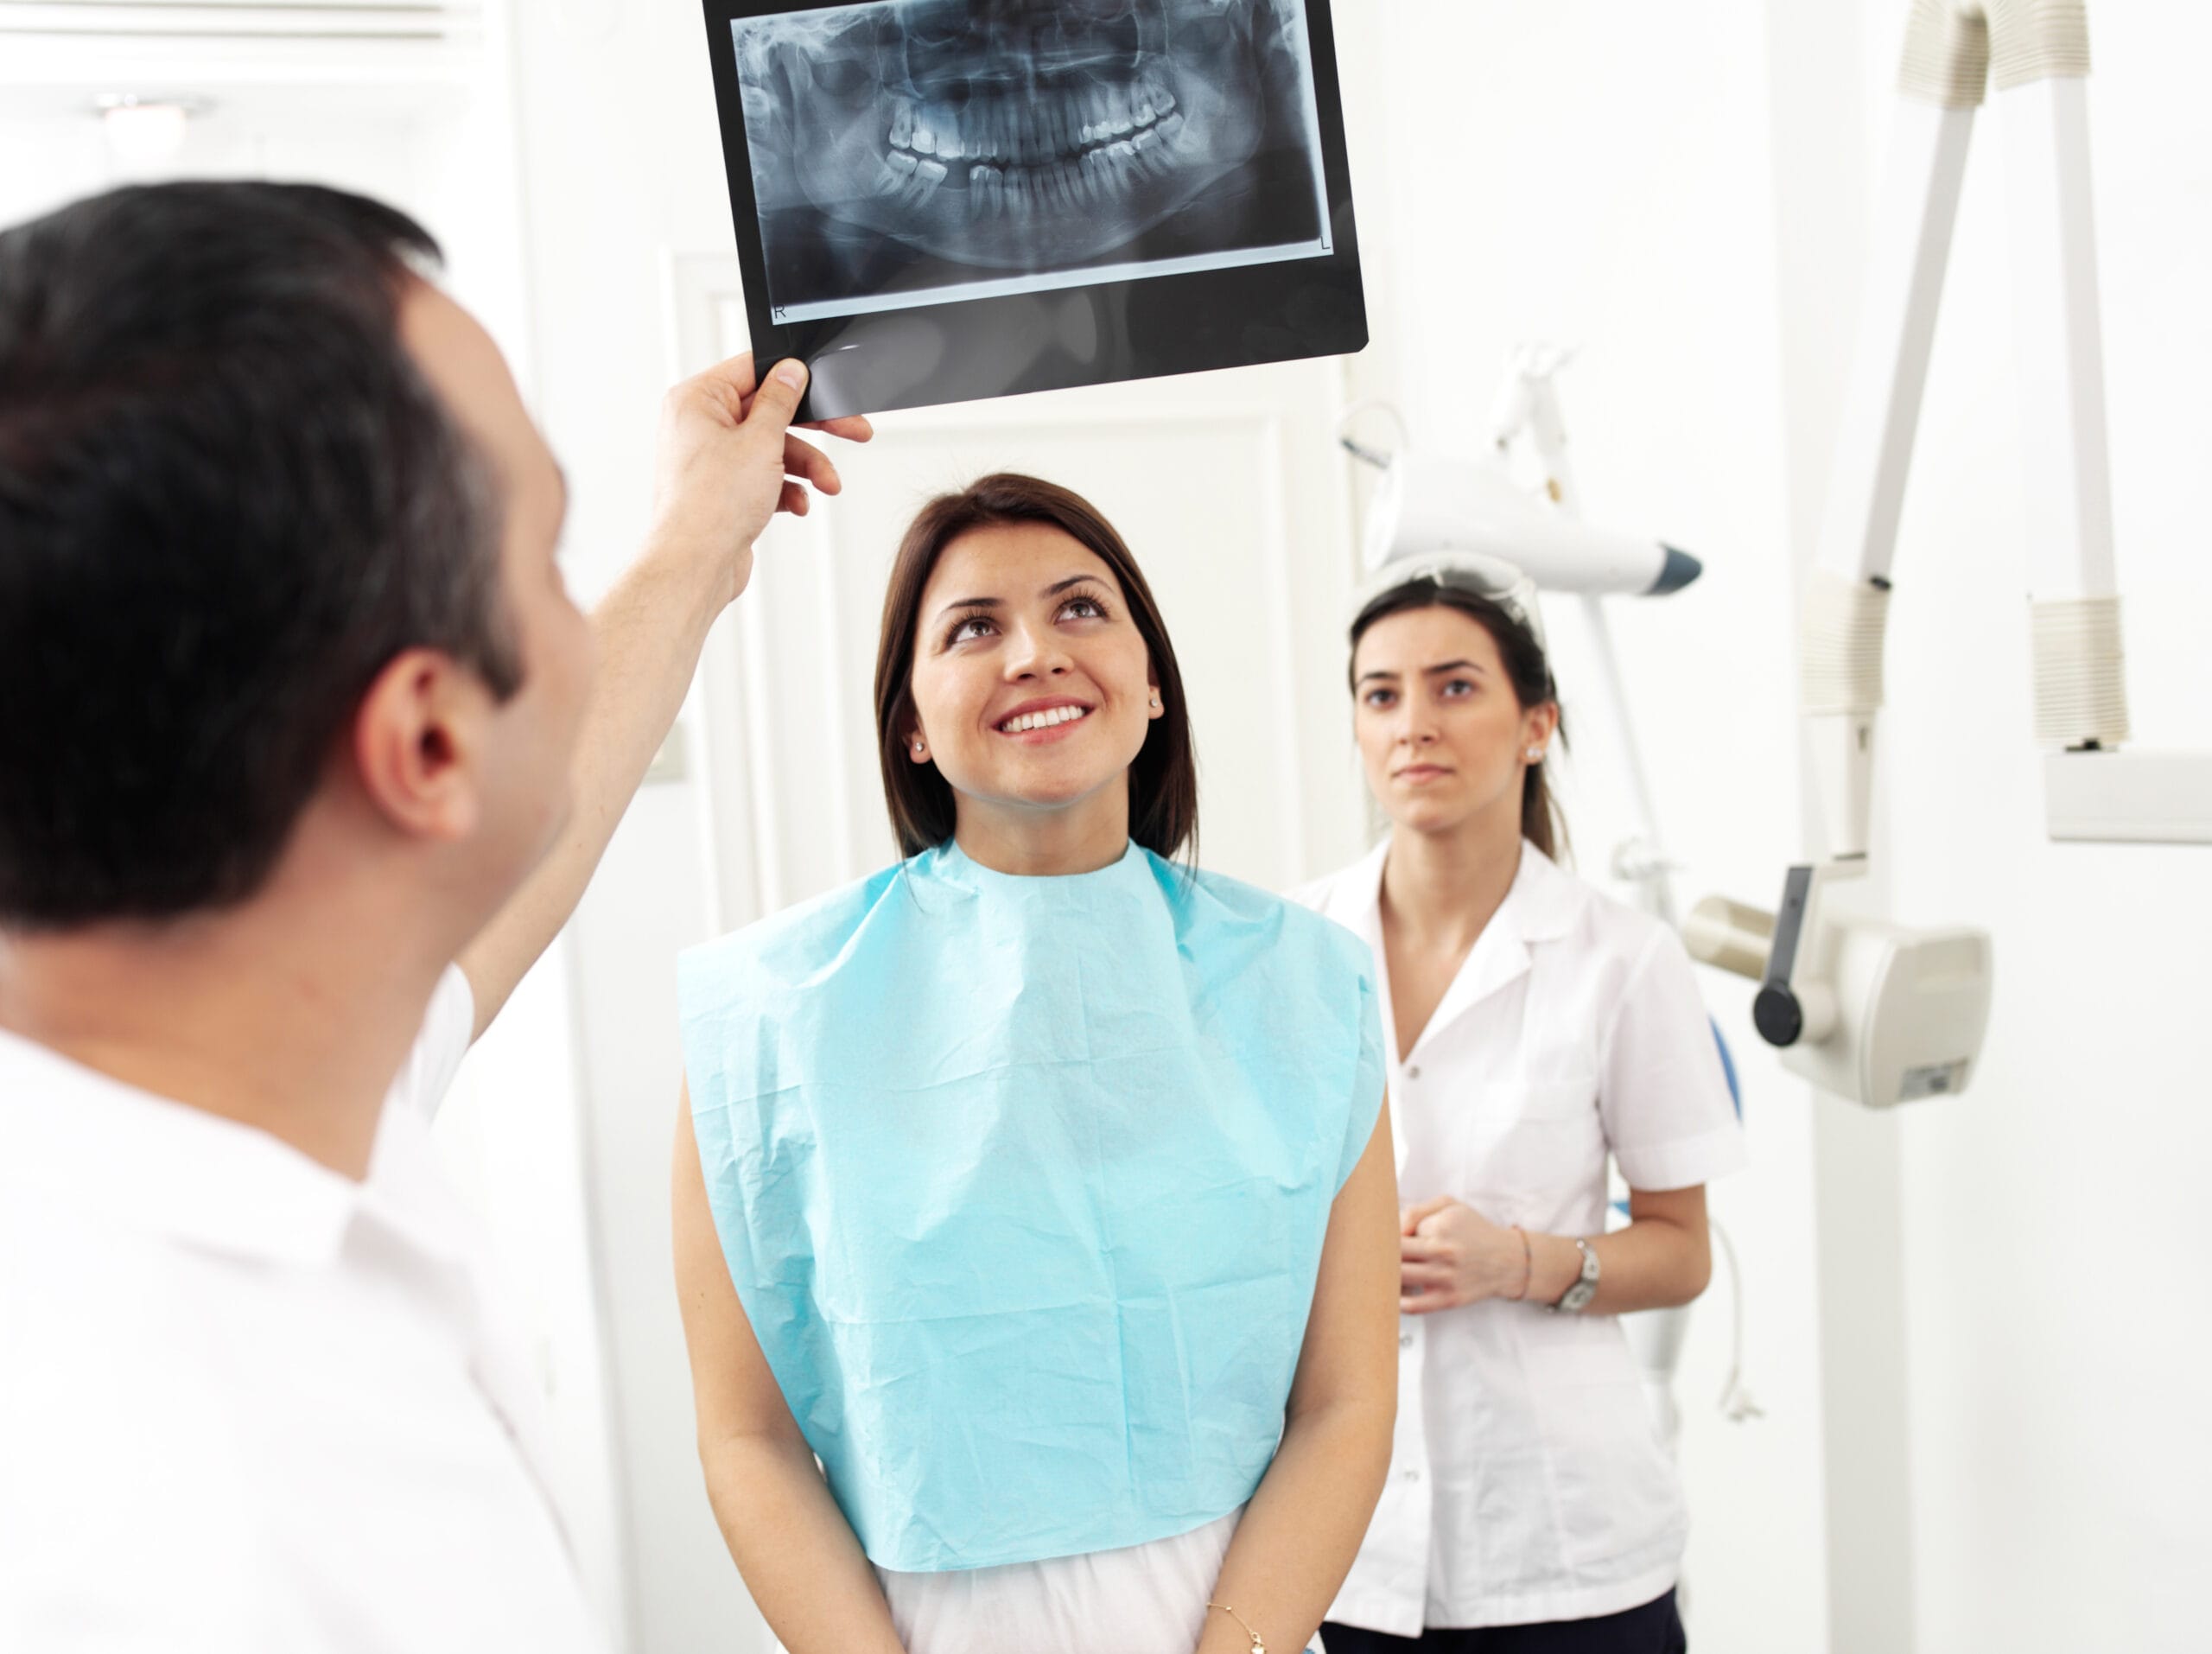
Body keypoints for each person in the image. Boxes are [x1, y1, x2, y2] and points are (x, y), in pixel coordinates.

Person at [0, 181, 868, 1651]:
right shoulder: (182, 1534)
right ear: (428, 746)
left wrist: (693, 543)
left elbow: (540, 820)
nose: (575, 625)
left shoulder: (246, 1075)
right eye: (546, 557)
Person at [671, 474, 1399, 1654]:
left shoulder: (1309, 988)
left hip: (1235, 1621)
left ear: (1152, 682)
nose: (1032, 654)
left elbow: (1346, 1400)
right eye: (972, 627)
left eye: (1079, 610)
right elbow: (744, 1434)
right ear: (908, 719)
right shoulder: (768, 1018)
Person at [1295, 557, 1746, 1653]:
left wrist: (1518, 1263)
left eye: (1455, 687)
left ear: (1535, 725)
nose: (1414, 725)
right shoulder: (1291, 952)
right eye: (1381, 694)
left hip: (1565, 1555)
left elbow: (1681, 1251)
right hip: (1341, 1545)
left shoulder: (1622, 963)